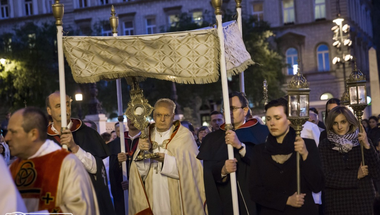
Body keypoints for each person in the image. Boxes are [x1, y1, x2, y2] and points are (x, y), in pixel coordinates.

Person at [6, 107, 98, 214]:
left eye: (13, 132)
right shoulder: (12, 169)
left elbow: (80, 209)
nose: (7, 138)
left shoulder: (66, 164)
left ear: (33, 134)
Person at [129, 98, 206, 215]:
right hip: (153, 195)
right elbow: (138, 174)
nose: (162, 119)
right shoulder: (146, 135)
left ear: (173, 116)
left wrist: (166, 161)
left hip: (177, 197)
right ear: (154, 115)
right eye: (159, 115)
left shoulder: (184, 136)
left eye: (167, 115)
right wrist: (143, 154)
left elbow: (193, 170)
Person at [198, 91, 269, 215]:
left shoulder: (261, 132)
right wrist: (223, 170)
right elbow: (209, 173)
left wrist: (240, 147)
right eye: (226, 109)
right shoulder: (212, 139)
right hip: (226, 199)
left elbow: (265, 164)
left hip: (255, 198)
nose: (229, 113)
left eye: (233, 109)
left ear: (245, 110)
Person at [250, 98, 324, 215]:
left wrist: (305, 155)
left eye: (277, 118)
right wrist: (286, 200)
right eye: (268, 119)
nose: (272, 123)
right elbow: (255, 191)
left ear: (289, 120)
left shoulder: (307, 145)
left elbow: (317, 185)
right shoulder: (259, 151)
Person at [45, 91, 114, 215]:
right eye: (58, 106)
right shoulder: (43, 139)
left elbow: (95, 169)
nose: (64, 109)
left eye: (67, 104)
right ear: (49, 111)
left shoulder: (87, 133)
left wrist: (74, 147)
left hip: (84, 202)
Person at [319, 106, 380, 214]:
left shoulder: (362, 140)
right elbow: (325, 177)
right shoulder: (325, 144)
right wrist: (356, 175)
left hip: (363, 202)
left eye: (343, 122)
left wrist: (366, 145)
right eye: (335, 123)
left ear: (350, 122)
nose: (339, 126)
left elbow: (377, 172)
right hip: (336, 203)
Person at [109, 118, 141, 215]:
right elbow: (111, 171)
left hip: (141, 194)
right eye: (129, 117)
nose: (132, 120)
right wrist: (118, 162)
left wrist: (133, 184)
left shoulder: (148, 140)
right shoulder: (117, 143)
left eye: (135, 116)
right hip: (122, 194)